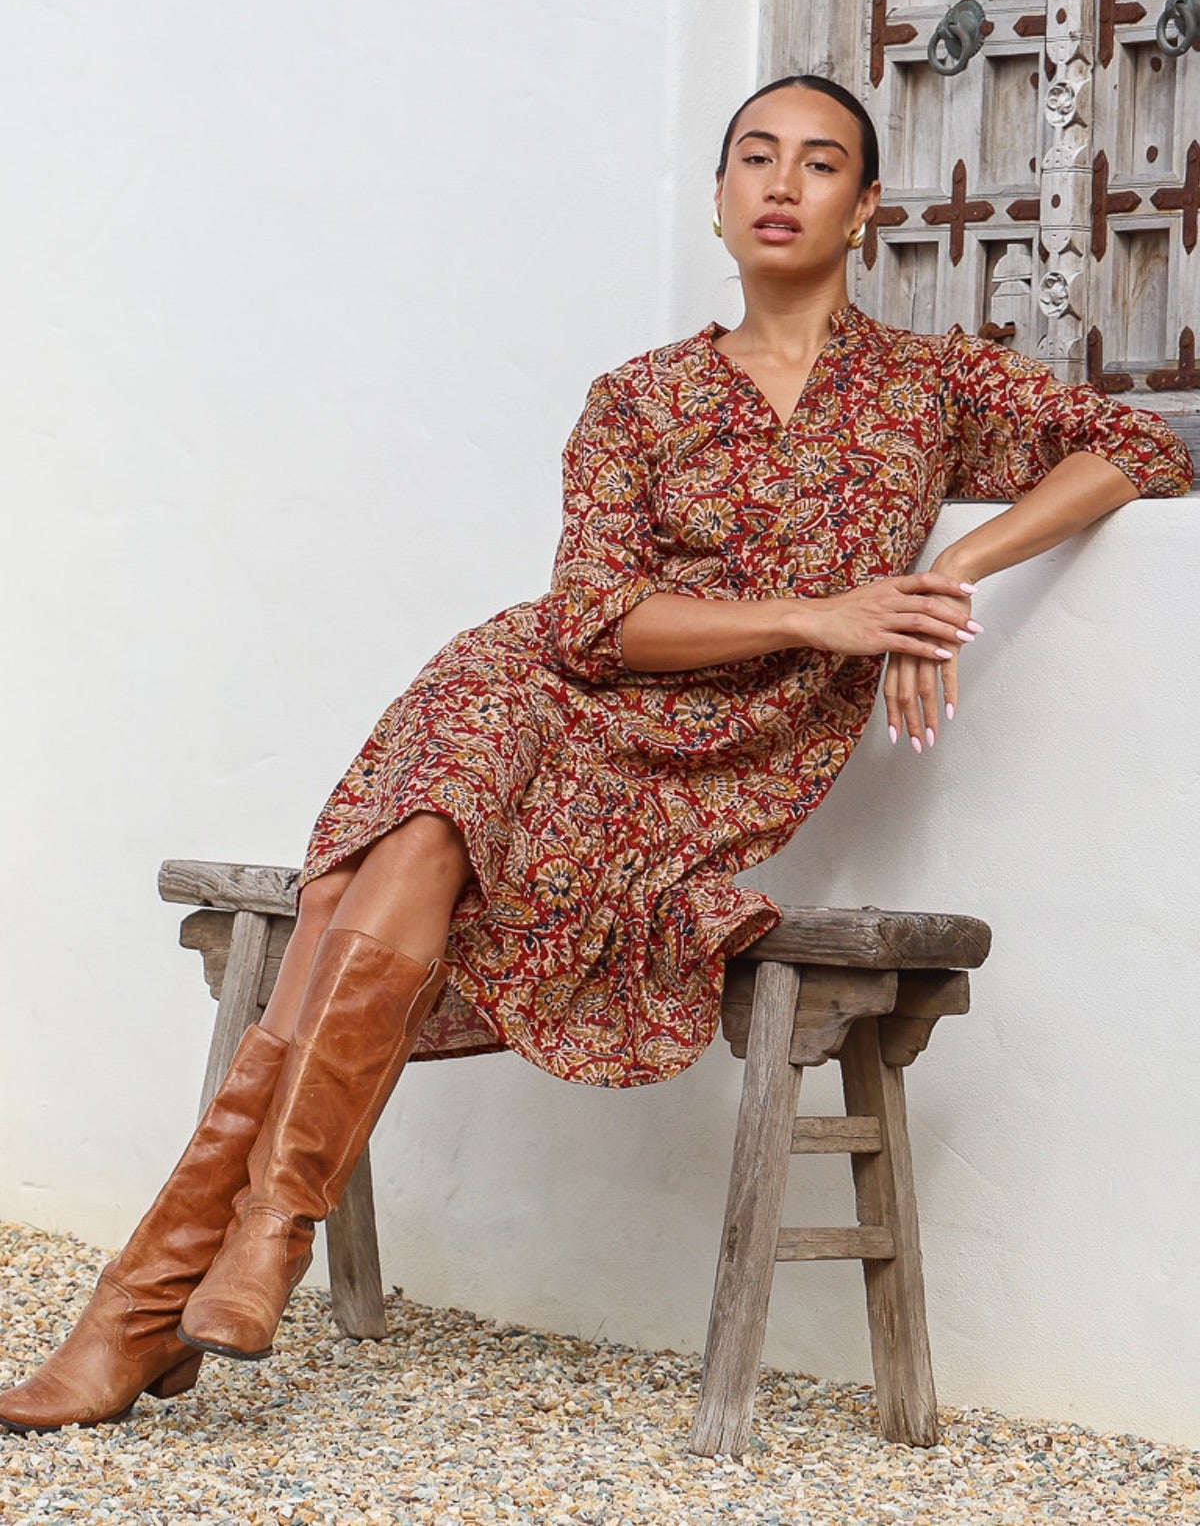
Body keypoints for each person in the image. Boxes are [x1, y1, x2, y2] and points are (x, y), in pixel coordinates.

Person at [1, 74, 1191, 1435]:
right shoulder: (639, 398)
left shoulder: (928, 386)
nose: (783, 184)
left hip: (715, 768)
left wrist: (944, 577)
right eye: (755, 158)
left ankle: (151, 1303)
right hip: (545, 698)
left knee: (364, 881)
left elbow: (1135, 446)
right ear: (720, 197)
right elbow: (597, 619)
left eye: (819, 164)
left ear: (866, 210)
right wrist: (826, 612)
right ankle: (258, 1237)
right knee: (438, 819)